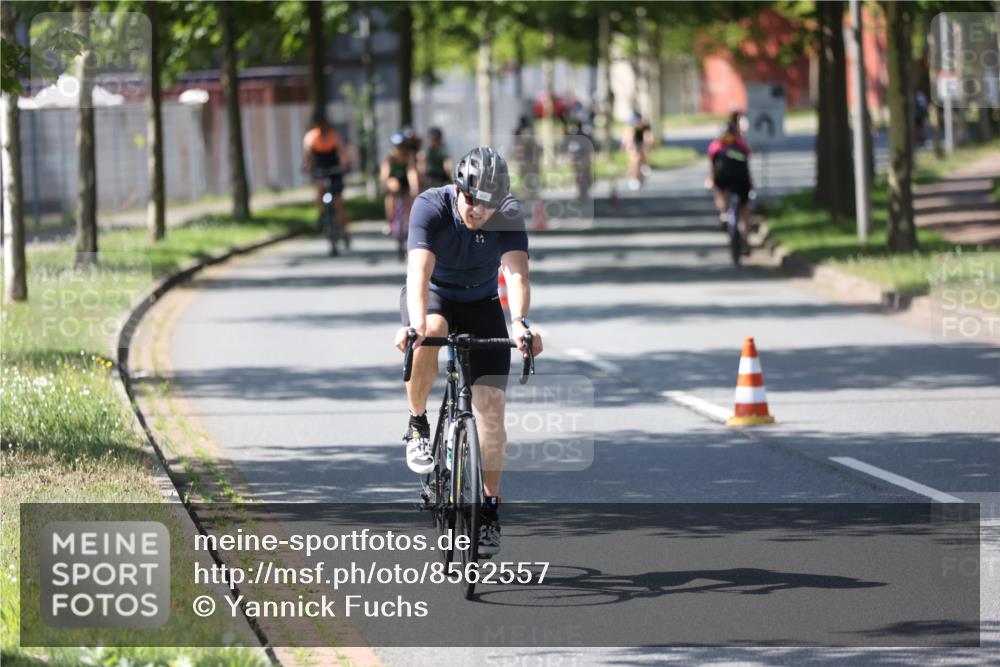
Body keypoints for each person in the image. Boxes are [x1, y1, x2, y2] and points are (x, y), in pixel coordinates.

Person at [393, 147, 543, 556]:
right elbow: (418, 271)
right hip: (435, 297)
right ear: (458, 188)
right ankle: (418, 425)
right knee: (433, 329)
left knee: (491, 409)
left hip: (481, 304)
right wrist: (416, 324)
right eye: (471, 198)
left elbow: (516, 273)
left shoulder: (507, 214)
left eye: (488, 204)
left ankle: (490, 508)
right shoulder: (430, 206)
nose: (477, 209)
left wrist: (521, 323)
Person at [302, 112, 351, 242]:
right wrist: (307, 166)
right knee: (319, 189)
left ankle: (344, 230)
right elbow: (308, 156)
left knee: (339, 201)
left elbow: (343, 152)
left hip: (335, 170)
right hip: (320, 170)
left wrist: (345, 163)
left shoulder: (334, 136)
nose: (321, 127)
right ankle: (322, 214)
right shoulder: (311, 137)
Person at [706, 120, 753, 246]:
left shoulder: (716, 147)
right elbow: (747, 166)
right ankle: (746, 238)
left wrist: (711, 180)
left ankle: (724, 214)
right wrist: (751, 183)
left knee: (720, 191)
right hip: (741, 180)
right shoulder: (742, 146)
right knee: (743, 208)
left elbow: (713, 167)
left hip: (728, 179)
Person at [381, 132, 420, 259]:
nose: (400, 149)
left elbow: (411, 172)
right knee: (391, 196)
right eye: (398, 146)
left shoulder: (409, 156)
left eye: (402, 146)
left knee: (409, 201)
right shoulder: (390, 156)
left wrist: (414, 187)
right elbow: (385, 174)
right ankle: (390, 221)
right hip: (394, 181)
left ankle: (407, 222)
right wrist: (388, 182)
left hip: (405, 182)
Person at [623, 112, 652, 190]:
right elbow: (627, 139)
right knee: (634, 160)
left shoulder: (645, 127)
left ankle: (645, 165)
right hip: (632, 143)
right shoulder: (630, 128)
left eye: (640, 121)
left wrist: (648, 145)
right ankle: (633, 177)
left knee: (643, 154)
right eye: (637, 122)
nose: (639, 123)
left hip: (641, 142)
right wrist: (629, 145)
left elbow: (648, 137)